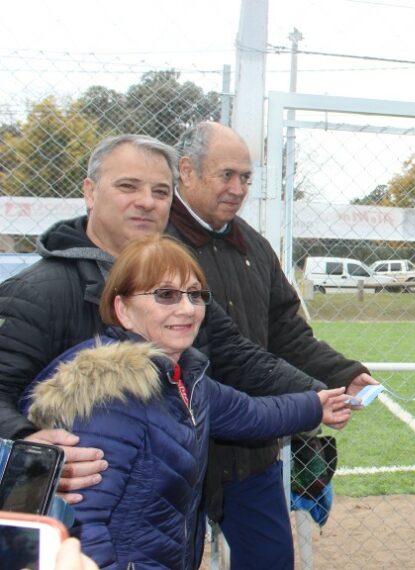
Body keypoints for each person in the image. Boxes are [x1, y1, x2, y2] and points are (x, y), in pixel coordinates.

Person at [0, 134, 330, 505]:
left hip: (161, 516)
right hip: (75, 524)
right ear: (90, 192)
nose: (146, 202)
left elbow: (235, 355)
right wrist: (30, 446)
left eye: (160, 192)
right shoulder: (39, 292)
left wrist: (320, 393)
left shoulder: (174, 282)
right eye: (128, 186)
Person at [23, 234, 351, 569]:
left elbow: (252, 414)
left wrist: (316, 405)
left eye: (196, 295)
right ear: (123, 309)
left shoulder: (181, 379)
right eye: (165, 295)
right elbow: (81, 527)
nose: (187, 308)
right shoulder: (108, 397)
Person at [170, 121, 376, 568]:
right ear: (186, 170)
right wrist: (310, 396)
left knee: (270, 560)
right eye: (226, 174)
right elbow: (224, 352)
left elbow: (286, 330)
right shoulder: (158, 247)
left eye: (246, 177)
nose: (238, 187)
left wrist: (343, 374)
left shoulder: (253, 246)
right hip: (178, 445)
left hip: (253, 444)